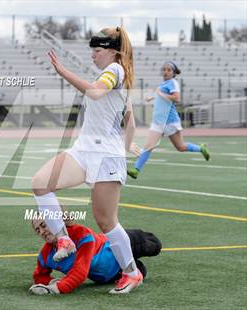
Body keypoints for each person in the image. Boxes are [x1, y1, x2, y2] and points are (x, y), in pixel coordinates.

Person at [32, 27, 143, 294]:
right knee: (40, 183)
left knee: (106, 221)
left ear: (114, 51)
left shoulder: (116, 70)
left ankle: (131, 272)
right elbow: (130, 122)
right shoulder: (116, 75)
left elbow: (94, 92)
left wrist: (64, 72)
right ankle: (64, 240)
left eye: (97, 50)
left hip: (105, 156)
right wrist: (127, 147)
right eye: (92, 50)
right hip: (85, 149)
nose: (93, 55)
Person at [29, 218, 161, 295]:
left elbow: (80, 273)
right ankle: (132, 270)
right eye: (37, 230)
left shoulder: (80, 234)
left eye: (43, 225)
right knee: (142, 270)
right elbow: (39, 276)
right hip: (111, 275)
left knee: (154, 245)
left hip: (118, 246)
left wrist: (57, 289)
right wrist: (52, 282)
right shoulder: (45, 255)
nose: (42, 232)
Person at [127, 61, 210, 179]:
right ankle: (135, 170)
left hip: (170, 121)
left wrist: (159, 94)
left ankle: (201, 148)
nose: (165, 71)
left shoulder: (173, 83)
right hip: (158, 122)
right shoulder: (162, 84)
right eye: (164, 69)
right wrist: (152, 97)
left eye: (169, 70)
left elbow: (176, 98)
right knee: (148, 146)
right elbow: (161, 97)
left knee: (180, 147)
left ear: (174, 73)